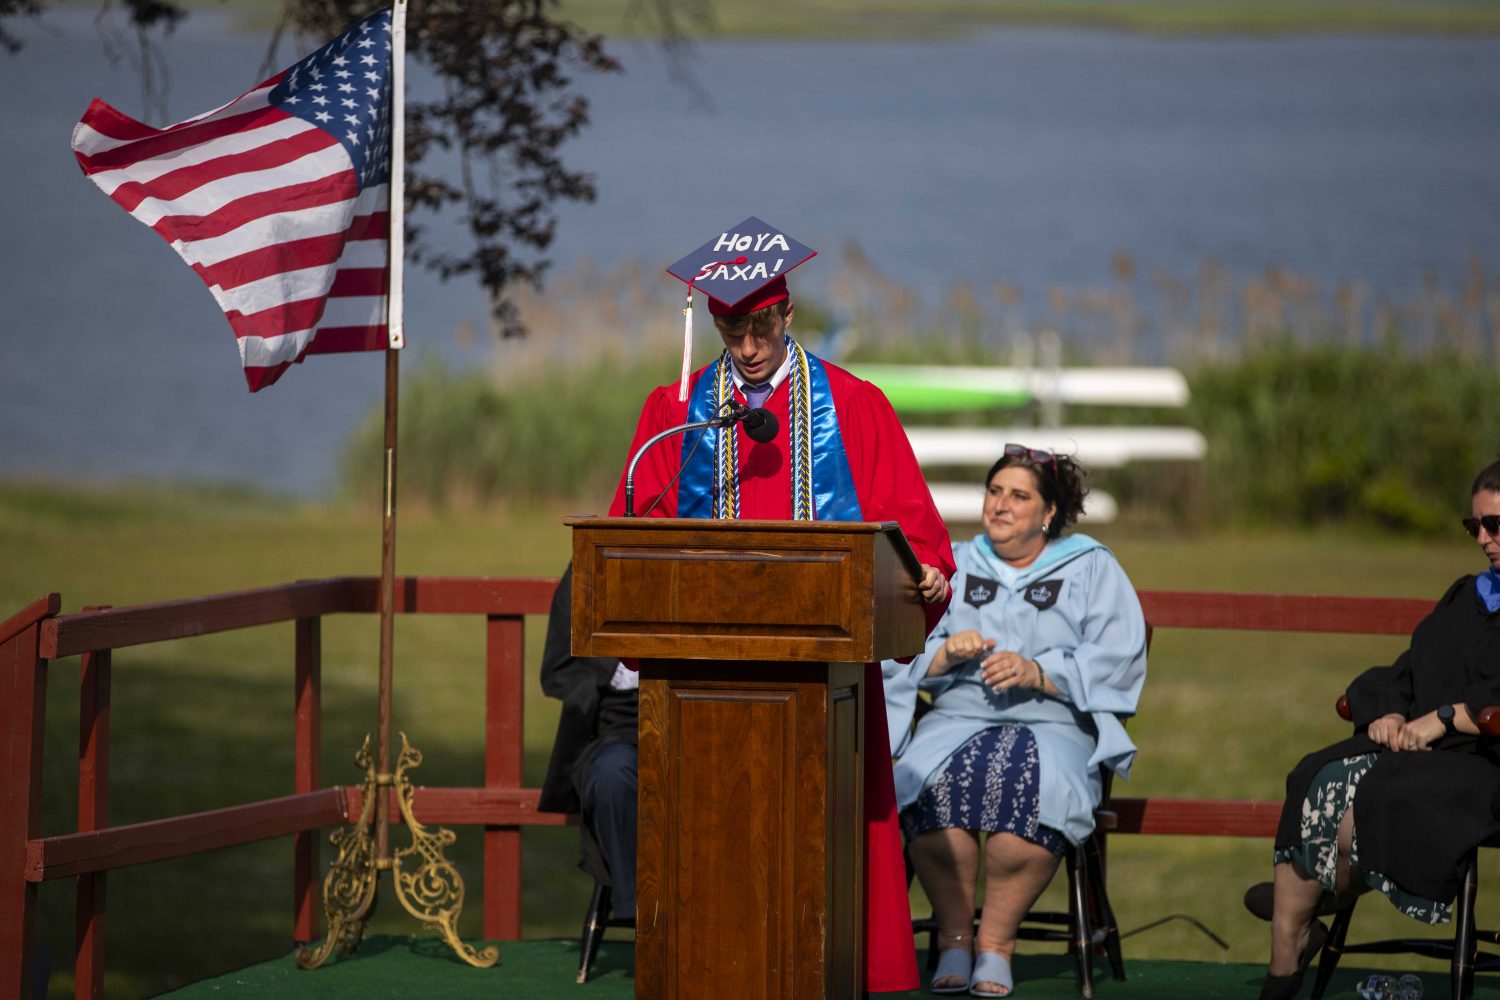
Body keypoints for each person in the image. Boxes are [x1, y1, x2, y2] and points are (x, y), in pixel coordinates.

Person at [608, 217, 956, 994]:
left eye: (763, 324)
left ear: (789, 314)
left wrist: (928, 575)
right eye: (733, 326)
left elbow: (917, 535)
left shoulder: (855, 405)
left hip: (823, 683)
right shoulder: (677, 410)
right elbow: (638, 532)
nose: (750, 344)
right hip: (701, 684)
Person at [883, 445, 1147, 997]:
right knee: (917, 783)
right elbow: (897, 650)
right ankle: (955, 938)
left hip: (1053, 722)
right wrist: (945, 655)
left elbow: (1119, 655)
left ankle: (996, 945)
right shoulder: (952, 567)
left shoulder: (1091, 566)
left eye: (1018, 496)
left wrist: (1040, 671)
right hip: (958, 715)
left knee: (1032, 792)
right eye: (994, 491)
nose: (1000, 505)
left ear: (1049, 512)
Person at [1251, 460, 1500, 1000]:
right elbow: (1414, 665)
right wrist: (1388, 708)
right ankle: (1284, 959)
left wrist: (1447, 718)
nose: (1483, 539)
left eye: (1495, 525)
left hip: (1489, 760)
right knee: (1316, 772)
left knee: (1378, 793)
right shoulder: (1468, 596)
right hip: (1429, 750)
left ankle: (1311, 900)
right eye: (1473, 526)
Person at [537, 562, 641, 918]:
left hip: (709, 719)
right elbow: (557, 668)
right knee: (612, 776)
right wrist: (612, 671)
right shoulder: (596, 559)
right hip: (619, 725)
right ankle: (639, 914)